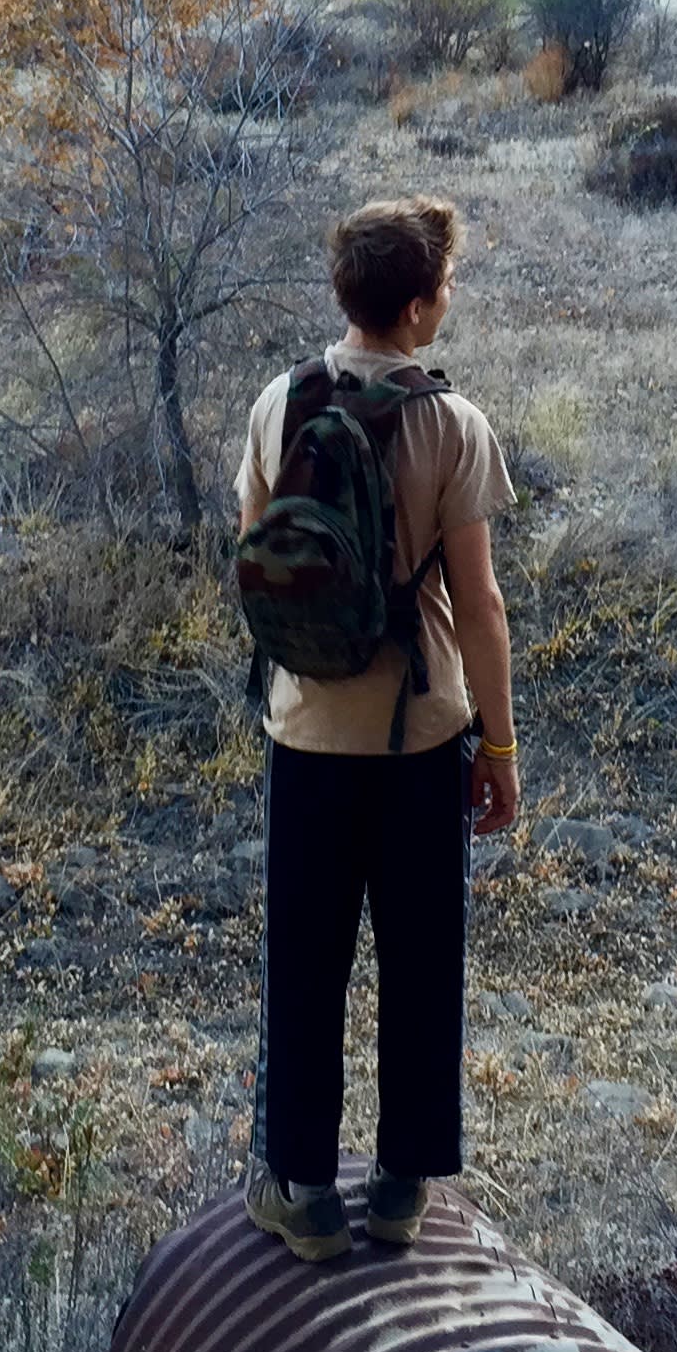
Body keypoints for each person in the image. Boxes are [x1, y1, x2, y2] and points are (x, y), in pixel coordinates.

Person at [235, 196, 518, 1262]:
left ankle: (303, 1192)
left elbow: (256, 555)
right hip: (417, 742)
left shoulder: (278, 404)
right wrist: (498, 748)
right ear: (413, 305)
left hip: (305, 736)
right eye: (445, 285)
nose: (449, 300)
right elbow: (481, 609)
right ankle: (400, 1190)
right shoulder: (452, 425)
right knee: (419, 958)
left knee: (304, 961)